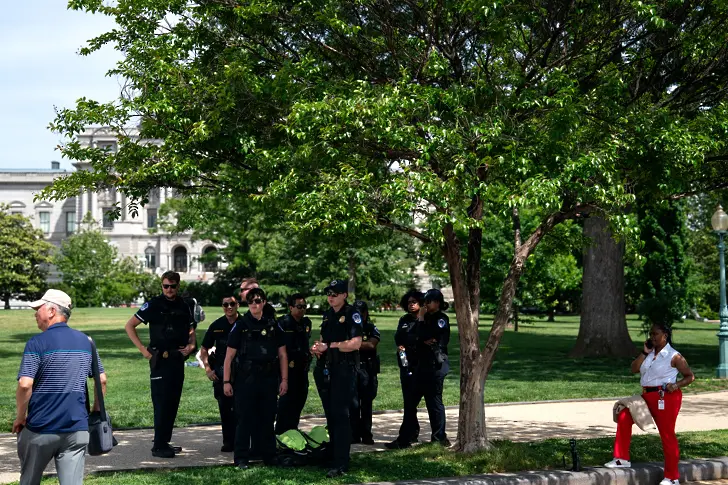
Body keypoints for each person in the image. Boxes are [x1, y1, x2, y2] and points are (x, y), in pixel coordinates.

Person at [14, 289, 107, 485]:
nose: (35, 314)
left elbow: (25, 384)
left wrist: (20, 418)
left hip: (41, 428)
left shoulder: (37, 342)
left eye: (38, 309)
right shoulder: (86, 342)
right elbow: (102, 379)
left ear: (51, 311)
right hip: (77, 429)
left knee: (29, 481)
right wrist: (96, 411)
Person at [604, 322, 695, 485]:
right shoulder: (649, 352)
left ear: (665, 336)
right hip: (646, 396)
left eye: (655, 334)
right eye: (650, 334)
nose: (651, 337)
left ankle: (672, 477)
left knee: (667, 434)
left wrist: (676, 385)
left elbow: (690, 376)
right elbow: (633, 369)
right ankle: (621, 458)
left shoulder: (674, 356)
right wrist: (644, 352)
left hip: (665, 397)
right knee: (624, 415)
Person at [125, 271, 196, 458]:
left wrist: (192, 344)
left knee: (173, 402)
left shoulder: (185, 305)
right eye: (166, 286)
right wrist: (142, 350)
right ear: (162, 286)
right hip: (160, 359)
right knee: (161, 402)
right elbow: (129, 325)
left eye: (173, 286)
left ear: (178, 286)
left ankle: (165, 441)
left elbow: (191, 327)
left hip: (177, 359)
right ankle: (158, 445)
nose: (169, 290)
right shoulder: (154, 304)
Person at [223, 288, 289, 469]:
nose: (254, 304)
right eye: (251, 301)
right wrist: (226, 381)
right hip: (246, 379)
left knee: (268, 418)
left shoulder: (273, 325)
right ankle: (241, 459)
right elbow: (228, 356)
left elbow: (282, 355)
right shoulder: (241, 325)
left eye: (258, 301)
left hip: (268, 378)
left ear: (264, 302)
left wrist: (284, 380)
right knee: (244, 419)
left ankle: (269, 456)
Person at [311, 279, 363, 478]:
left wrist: (330, 346)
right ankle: (333, 456)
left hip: (344, 369)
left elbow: (355, 343)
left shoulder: (352, 314)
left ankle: (341, 462)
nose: (330, 297)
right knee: (331, 414)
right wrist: (318, 348)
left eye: (335, 293)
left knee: (340, 415)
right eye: (328, 294)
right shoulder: (328, 315)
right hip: (327, 368)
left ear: (344, 295)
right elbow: (325, 340)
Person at [199, 296, 242, 452]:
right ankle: (228, 442)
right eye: (225, 304)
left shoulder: (244, 323)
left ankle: (242, 443)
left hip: (241, 374)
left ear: (237, 305)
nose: (229, 307)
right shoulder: (217, 325)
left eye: (232, 304)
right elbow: (204, 349)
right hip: (221, 374)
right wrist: (208, 369)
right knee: (225, 410)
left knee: (241, 410)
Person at [386, 289, 424, 449]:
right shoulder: (404, 320)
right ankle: (412, 432)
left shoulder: (425, 320)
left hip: (421, 365)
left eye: (414, 302)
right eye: (408, 302)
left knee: (411, 402)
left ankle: (404, 438)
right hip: (405, 363)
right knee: (408, 402)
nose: (411, 305)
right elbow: (398, 337)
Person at [275, 293, 313, 434]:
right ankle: (280, 432)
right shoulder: (282, 323)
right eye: (299, 306)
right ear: (291, 307)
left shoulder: (306, 323)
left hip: (302, 368)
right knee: (286, 402)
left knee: (300, 399)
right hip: (287, 368)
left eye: (304, 306)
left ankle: (293, 430)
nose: (302, 309)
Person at [350, 300, 380, 445]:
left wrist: (353, 344)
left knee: (366, 404)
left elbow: (371, 345)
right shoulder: (348, 328)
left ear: (365, 313)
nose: (359, 315)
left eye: (361, 312)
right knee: (353, 404)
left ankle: (367, 434)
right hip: (352, 369)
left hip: (368, 370)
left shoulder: (370, 327)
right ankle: (354, 434)